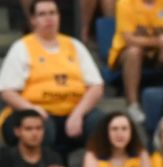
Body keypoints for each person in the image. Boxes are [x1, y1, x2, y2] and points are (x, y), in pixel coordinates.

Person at [0, 0, 104, 156]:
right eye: (42, 14)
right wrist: (32, 109)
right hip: (37, 112)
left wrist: (78, 113)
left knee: (100, 122)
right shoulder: (22, 48)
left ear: (59, 16)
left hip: (73, 113)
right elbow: (7, 91)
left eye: (52, 13)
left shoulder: (74, 45)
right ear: (33, 20)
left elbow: (96, 86)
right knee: (39, 125)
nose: (49, 18)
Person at [108, 0, 163, 123]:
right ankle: (133, 104)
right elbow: (130, 39)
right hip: (127, 52)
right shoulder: (125, 3)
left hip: (159, 52)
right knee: (134, 52)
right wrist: (159, 42)